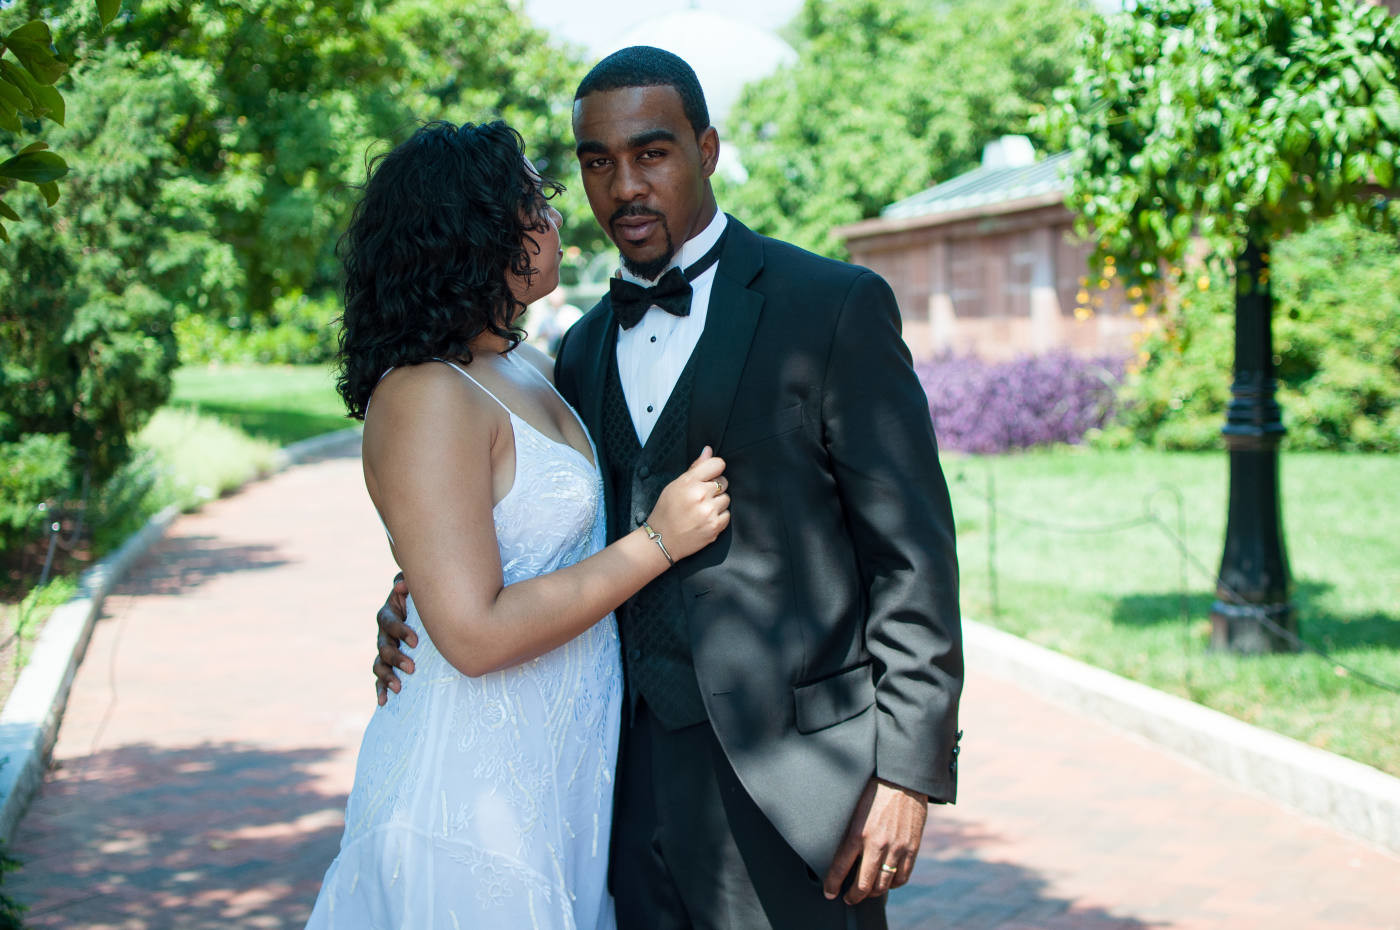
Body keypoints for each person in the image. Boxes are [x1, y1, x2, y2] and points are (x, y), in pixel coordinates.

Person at [375, 47, 963, 930]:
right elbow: (516, 518)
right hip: (611, 787)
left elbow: (912, 554)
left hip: (798, 785)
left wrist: (908, 770)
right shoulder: (572, 353)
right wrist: (415, 590)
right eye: (597, 163)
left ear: (708, 149)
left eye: (651, 153)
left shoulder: (831, 306)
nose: (624, 187)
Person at [305, 119, 730, 930]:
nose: (556, 219)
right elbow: (472, 635)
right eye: (533, 205)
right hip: (471, 797)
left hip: (555, 779)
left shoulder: (522, 365)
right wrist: (659, 542)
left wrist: (411, 591)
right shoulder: (426, 392)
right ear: (472, 231)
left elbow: (489, 546)